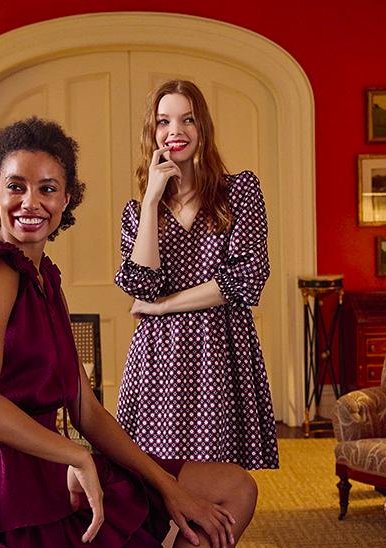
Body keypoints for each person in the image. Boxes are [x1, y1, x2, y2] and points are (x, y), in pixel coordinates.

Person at [0, 117, 257, 548]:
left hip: (51, 466)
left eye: (47, 189)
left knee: (233, 486)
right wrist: (76, 455)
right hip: (6, 492)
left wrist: (167, 484)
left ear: (66, 199)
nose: (30, 202)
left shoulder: (44, 278)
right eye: (16, 186)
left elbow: (84, 408)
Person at [115, 80, 279, 470]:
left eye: (187, 119)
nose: (176, 131)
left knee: (216, 474)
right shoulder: (138, 212)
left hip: (219, 349)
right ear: (151, 133)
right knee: (160, 473)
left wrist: (161, 307)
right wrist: (152, 200)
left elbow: (246, 278)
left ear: (202, 127)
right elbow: (141, 285)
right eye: (164, 122)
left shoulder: (240, 191)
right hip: (159, 357)